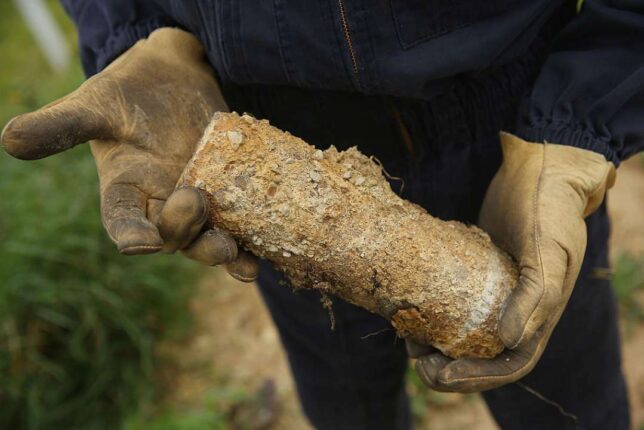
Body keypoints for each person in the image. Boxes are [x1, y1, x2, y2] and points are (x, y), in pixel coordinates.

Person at [2, 1, 642, 428]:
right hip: (263, 146)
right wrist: (136, 36)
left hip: (512, 128)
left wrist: (575, 124)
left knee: (562, 395)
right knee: (347, 406)